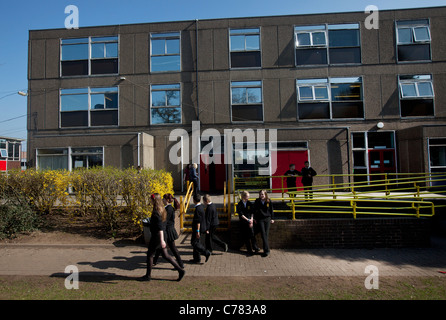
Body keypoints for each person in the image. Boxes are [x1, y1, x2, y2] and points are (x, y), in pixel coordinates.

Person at [139, 193, 185, 282]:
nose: (150, 201)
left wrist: (162, 240)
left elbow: (160, 227)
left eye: (151, 200)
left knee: (150, 255)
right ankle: (180, 270)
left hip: (157, 236)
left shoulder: (156, 211)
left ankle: (148, 276)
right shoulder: (162, 209)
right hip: (163, 235)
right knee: (165, 255)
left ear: (154, 201)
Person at [153, 193, 184, 269]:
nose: (162, 201)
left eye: (163, 199)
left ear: (166, 200)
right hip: (168, 230)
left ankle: (180, 264)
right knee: (160, 247)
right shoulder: (169, 208)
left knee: (173, 248)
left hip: (169, 231)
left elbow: (165, 221)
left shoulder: (168, 209)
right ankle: (154, 261)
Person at [236, 191, 259, 256]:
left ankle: (255, 247)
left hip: (249, 221)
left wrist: (251, 219)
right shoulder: (239, 204)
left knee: (252, 234)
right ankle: (249, 250)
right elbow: (241, 214)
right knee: (246, 236)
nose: (248, 197)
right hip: (243, 222)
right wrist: (248, 220)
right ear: (243, 196)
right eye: (247, 196)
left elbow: (252, 212)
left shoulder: (249, 203)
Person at [253, 190, 274, 257]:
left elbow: (271, 210)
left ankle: (266, 250)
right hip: (260, 219)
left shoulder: (268, 201)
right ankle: (267, 250)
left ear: (265, 195)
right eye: (260, 194)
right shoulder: (257, 201)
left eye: (262, 194)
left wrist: (272, 218)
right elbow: (254, 210)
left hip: (267, 219)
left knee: (266, 234)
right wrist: (255, 218)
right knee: (263, 233)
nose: (261, 196)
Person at [190, 194, 211, 263]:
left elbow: (198, 222)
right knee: (197, 243)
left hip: (197, 229)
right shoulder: (201, 207)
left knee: (194, 242)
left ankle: (206, 252)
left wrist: (197, 231)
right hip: (202, 228)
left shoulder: (197, 209)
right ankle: (197, 258)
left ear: (194, 200)